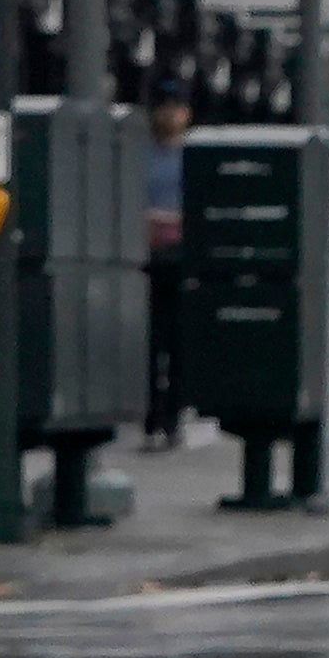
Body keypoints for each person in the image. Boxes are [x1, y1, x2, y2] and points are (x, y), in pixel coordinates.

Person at [139, 95, 192, 449]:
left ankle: (171, 414)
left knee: (177, 339)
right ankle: (152, 414)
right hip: (148, 255)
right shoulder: (143, 155)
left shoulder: (190, 157)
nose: (169, 114)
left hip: (180, 255)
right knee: (149, 339)